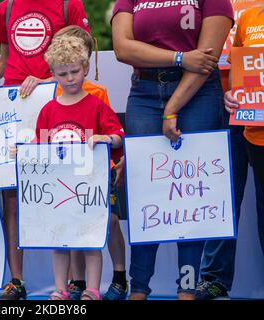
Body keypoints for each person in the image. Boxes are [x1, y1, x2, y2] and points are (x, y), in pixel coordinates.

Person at [112, 0, 234, 299]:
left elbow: (205, 60)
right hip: (143, 91)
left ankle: (187, 290)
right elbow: (123, 49)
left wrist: (172, 109)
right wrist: (180, 57)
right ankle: (138, 289)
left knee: (190, 193)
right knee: (145, 191)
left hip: (198, 93)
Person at [0, 0, 91, 300]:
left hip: (57, 102)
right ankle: (16, 281)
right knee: (13, 197)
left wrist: (47, 80)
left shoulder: (68, 3)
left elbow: (81, 55)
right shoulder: (6, 6)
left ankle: (75, 281)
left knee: (67, 192)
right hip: (16, 110)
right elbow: (4, 63)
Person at [34, 35, 124, 300]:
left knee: (91, 239)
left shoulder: (96, 105)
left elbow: (119, 135)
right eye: (63, 74)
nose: (70, 78)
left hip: (91, 184)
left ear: (85, 69)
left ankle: (92, 290)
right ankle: (60, 289)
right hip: (60, 188)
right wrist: (24, 150)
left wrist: (105, 138)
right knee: (60, 241)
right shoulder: (48, 110)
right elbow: (40, 146)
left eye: (75, 71)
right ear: (53, 75)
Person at [196, 2, 264, 300]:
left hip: (255, 113)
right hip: (221, 101)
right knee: (223, 192)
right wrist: (232, 91)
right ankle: (215, 278)